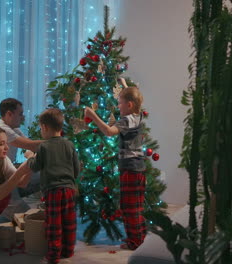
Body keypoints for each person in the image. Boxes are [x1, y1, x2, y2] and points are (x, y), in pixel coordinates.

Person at [85, 85, 147, 250]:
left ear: (130, 105)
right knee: (136, 205)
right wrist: (125, 85)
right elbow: (134, 98)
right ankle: (140, 236)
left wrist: (92, 115)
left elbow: (109, 131)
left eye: (120, 103)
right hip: (139, 168)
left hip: (130, 169)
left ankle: (135, 242)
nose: (118, 106)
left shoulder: (126, 120)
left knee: (129, 207)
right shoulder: (138, 115)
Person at [25, 108, 79, 264]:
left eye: (40, 128)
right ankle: (68, 250)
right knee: (69, 221)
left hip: (52, 189)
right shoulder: (69, 145)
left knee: (54, 224)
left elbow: (35, 166)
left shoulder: (43, 146)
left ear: (45, 127)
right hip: (69, 189)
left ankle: (53, 255)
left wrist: (29, 156)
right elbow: (76, 168)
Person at [0, 98, 43, 220]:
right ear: (9, 114)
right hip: (0, 179)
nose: (23, 117)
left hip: (9, 173)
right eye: (20, 114)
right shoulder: (1, 129)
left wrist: (32, 154)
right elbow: (32, 146)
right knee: (26, 217)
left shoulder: (13, 128)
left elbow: (30, 146)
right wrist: (59, 142)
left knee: (45, 175)